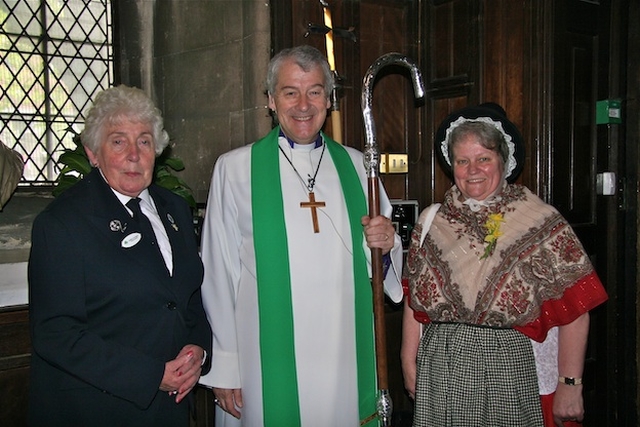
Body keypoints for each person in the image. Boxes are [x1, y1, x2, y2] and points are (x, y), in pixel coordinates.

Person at [198, 45, 404, 426]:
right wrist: (225, 366)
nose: (303, 104)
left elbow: (382, 259)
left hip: (344, 353)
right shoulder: (235, 170)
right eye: (290, 92)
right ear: (271, 101)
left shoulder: (361, 168)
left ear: (329, 99)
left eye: (314, 91)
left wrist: (387, 245)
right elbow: (217, 275)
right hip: (264, 359)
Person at [401, 103, 608, 427]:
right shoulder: (433, 221)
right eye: (462, 161)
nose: (473, 170)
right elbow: (414, 299)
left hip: (504, 364)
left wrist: (571, 385)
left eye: (483, 158)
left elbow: (576, 307)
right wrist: (408, 360)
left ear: (504, 159)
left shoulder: (536, 223)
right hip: (439, 364)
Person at [28, 85, 212, 427]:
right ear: (93, 152)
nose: (134, 154)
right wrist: (150, 375)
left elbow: (188, 298)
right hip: (97, 408)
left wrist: (198, 349)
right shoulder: (62, 223)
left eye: (144, 141)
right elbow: (56, 333)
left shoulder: (174, 209)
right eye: (118, 141)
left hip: (170, 408)